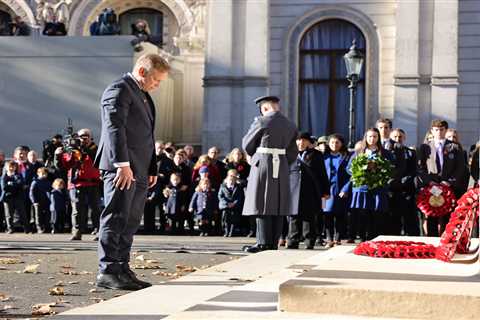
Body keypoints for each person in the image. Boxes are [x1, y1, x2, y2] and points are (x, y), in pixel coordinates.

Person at [94, 53, 170, 290]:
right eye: (156, 80)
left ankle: (122, 267)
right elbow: (114, 128)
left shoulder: (142, 95)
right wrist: (122, 165)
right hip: (122, 168)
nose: (157, 85)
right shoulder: (119, 89)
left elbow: (146, 136)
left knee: (130, 220)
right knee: (116, 216)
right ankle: (107, 270)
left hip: (138, 168)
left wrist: (151, 167)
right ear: (142, 72)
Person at [241, 95, 298, 253]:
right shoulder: (290, 124)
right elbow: (293, 151)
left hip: (264, 163)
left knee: (262, 203)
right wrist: (284, 161)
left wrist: (254, 155)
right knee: (278, 204)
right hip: (281, 164)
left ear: (264, 108)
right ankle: (273, 242)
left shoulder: (261, 121)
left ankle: (262, 243)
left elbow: (247, 143)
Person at [416, 120, 468, 236]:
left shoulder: (454, 147)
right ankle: (432, 243)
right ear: (432, 131)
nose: (439, 132)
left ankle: (447, 242)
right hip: (431, 187)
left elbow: (460, 168)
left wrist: (449, 182)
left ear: (445, 130)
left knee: (448, 216)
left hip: (448, 187)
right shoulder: (425, 147)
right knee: (431, 216)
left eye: (441, 129)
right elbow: (420, 168)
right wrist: (429, 182)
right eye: (436, 129)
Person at [55, 128, 102, 241]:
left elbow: (95, 159)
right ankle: (77, 232)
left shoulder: (95, 149)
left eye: (86, 137)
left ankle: (99, 231)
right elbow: (62, 166)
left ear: (91, 138)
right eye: (81, 137)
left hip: (93, 183)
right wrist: (57, 155)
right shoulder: (72, 150)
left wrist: (83, 149)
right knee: (76, 210)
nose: (83, 139)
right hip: (76, 183)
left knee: (96, 209)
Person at [348, 128, 393, 242]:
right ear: (366, 138)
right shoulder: (359, 152)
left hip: (378, 188)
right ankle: (364, 238)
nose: (372, 139)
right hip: (362, 188)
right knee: (363, 214)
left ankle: (376, 238)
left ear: (378, 138)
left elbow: (391, 168)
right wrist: (362, 171)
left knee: (377, 214)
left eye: (375, 137)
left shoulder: (385, 153)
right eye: (370, 137)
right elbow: (349, 168)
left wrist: (379, 170)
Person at [287, 132, 330, 249]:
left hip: (310, 190)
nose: (301, 143)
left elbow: (322, 174)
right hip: (293, 189)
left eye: (304, 140)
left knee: (309, 216)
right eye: (299, 140)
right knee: (293, 216)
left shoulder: (316, 155)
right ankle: (292, 240)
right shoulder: (290, 154)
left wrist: (326, 190)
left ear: (308, 142)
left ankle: (309, 240)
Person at [323, 134, 352, 247]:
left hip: (340, 189)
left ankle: (338, 238)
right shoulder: (323, 156)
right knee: (327, 214)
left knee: (340, 214)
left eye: (337, 142)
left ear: (341, 144)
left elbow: (351, 175)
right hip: (326, 190)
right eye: (332, 143)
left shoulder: (347, 157)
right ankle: (329, 238)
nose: (334, 145)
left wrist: (346, 189)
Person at [389, 128, 419, 236]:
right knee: (393, 219)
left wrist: (404, 180)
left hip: (407, 189)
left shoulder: (411, 152)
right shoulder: (387, 153)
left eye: (400, 137)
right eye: (395, 137)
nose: (398, 139)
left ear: (404, 138)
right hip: (392, 189)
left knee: (410, 217)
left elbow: (414, 169)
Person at [1, 161, 28, 233]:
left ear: (15, 168)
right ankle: (10, 228)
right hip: (8, 198)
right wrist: (15, 185)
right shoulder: (4, 177)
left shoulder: (19, 175)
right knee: (9, 215)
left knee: (22, 213)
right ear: (6, 168)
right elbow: (4, 187)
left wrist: (11, 184)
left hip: (18, 197)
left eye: (13, 167)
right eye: (10, 167)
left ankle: (26, 228)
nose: (11, 168)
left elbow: (21, 184)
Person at [218, 169, 245, 237]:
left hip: (234, 206)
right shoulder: (223, 186)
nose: (232, 178)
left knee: (234, 219)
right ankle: (226, 231)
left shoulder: (238, 187)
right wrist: (226, 203)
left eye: (234, 176)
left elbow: (239, 197)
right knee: (225, 220)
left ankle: (231, 232)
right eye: (231, 176)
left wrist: (234, 203)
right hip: (226, 206)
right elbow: (220, 196)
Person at [29, 167, 52, 233]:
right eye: (43, 173)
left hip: (47, 201)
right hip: (38, 201)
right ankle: (39, 228)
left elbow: (50, 190)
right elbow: (31, 192)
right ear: (38, 174)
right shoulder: (35, 182)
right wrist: (34, 201)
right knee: (38, 215)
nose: (44, 175)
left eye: (45, 174)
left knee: (47, 215)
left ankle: (47, 227)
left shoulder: (48, 182)